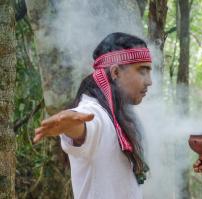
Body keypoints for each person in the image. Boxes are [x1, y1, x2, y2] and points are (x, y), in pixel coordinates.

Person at [34, 32, 152, 199]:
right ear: (116, 72)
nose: (149, 81)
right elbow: (84, 124)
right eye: (142, 71)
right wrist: (69, 123)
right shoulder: (94, 112)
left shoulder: (118, 116)